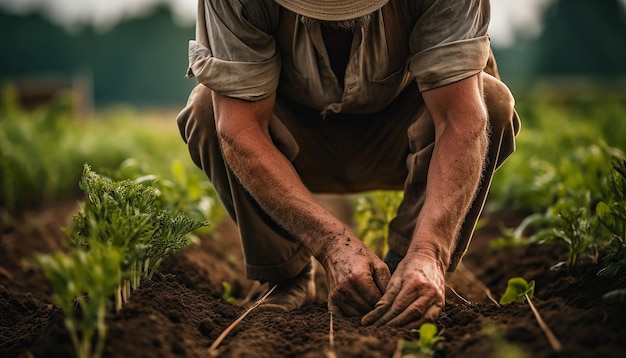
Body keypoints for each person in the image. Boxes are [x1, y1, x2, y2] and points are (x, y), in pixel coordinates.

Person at [176, 0, 520, 329]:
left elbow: (457, 117)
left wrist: (429, 251)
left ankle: (408, 270)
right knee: (208, 110)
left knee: (491, 103)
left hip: (399, 138)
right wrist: (330, 244)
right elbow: (241, 127)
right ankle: (285, 274)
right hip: (293, 141)